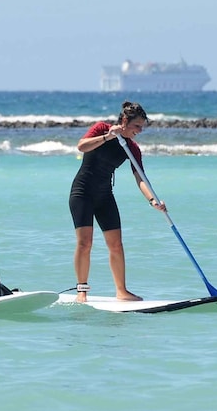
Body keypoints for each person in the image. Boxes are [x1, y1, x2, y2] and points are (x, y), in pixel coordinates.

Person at [68, 101, 167, 303]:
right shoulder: (101, 129)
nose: (139, 131)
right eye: (136, 126)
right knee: (85, 243)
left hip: (105, 196)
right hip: (82, 193)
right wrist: (107, 137)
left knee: (116, 245)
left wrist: (152, 201)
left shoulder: (132, 147)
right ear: (124, 121)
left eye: (141, 127)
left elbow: (140, 178)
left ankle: (121, 291)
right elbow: (81, 146)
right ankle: (81, 292)